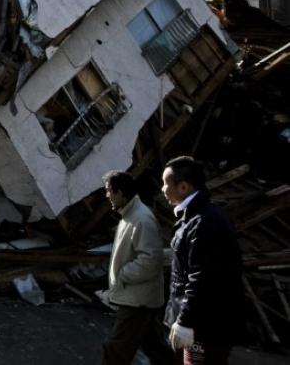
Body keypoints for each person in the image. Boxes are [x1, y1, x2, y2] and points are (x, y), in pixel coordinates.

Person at [162, 156, 244, 364]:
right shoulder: (192, 218)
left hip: (204, 326)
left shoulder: (204, 221)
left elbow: (202, 277)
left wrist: (185, 321)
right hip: (196, 323)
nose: (162, 189)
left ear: (183, 187)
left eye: (165, 183)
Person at [98, 170, 172, 365]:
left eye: (109, 191)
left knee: (116, 348)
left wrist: (123, 275)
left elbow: (150, 259)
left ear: (120, 193)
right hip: (140, 297)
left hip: (137, 298)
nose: (107, 196)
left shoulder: (141, 219)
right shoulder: (131, 214)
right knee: (153, 344)